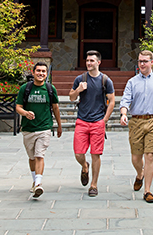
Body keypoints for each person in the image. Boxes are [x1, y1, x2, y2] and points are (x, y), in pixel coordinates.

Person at [119, 49, 153, 204]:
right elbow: (125, 101)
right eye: (140, 61)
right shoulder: (132, 82)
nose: (142, 64)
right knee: (136, 157)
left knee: (150, 155)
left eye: (145, 61)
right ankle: (140, 174)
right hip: (136, 121)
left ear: (152, 62)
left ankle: (147, 190)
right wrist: (123, 114)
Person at [69, 50, 116, 197]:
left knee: (96, 154)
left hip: (97, 122)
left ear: (98, 62)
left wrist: (105, 120)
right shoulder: (80, 79)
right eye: (87, 60)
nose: (89, 63)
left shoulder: (106, 80)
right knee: (78, 153)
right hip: (82, 121)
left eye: (92, 61)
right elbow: (71, 97)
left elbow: (112, 101)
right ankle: (84, 166)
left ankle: (94, 185)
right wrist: (78, 90)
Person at [16, 62, 62, 199]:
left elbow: (55, 108)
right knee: (31, 158)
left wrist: (59, 125)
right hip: (28, 128)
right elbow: (18, 107)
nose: (41, 73)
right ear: (33, 72)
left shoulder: (50, 89)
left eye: (43, 71)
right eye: (38, 71)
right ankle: (34, 180)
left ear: (46, 74)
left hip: (44, 127)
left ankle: (38, 184)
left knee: (39, 155)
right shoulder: (25, 88)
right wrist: (25, 113)